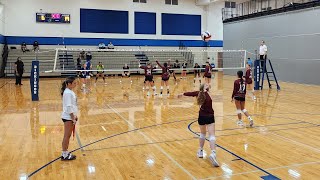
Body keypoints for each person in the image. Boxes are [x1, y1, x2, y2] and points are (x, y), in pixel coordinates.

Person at [178, 84, 219, 167]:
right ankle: (213, 153)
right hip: (210, 116)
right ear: (205, 88)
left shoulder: (198, 93)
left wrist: (182, 94)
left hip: (201, 116)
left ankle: (200, 151)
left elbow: (191, 93)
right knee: (212, 136)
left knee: (202, 134)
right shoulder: (208, 94)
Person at [60, 76, 78, 161]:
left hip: (70, 116)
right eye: (74, 83)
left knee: (68, 135)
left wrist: (75, 115)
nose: (75, 84)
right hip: (68, 117)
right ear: (69, 84)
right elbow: (68, 107)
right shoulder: (67, 93)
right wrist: (73, 117)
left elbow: (72, 105)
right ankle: (64, 154)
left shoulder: (69, 92)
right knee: (66, 136)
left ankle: (65, 153)